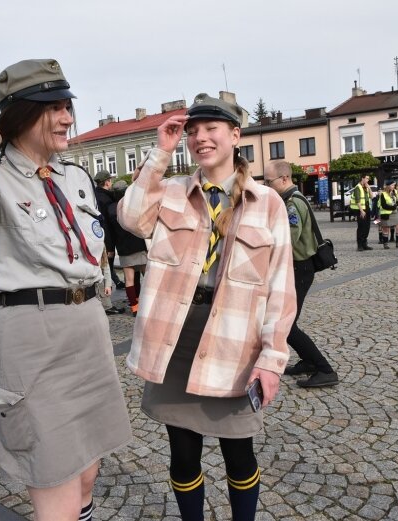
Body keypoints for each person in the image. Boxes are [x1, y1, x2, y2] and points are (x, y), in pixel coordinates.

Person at [0, 58, 131, 521]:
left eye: (68, 106)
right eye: (54, 108)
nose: (67, 117)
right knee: (52, 477)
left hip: (88, 327)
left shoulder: (74, 175)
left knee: (87, 469)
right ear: (23, 114)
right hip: (34, 332)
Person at [119, 93, 296, 521]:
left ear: (235, 135)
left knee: (239, 452)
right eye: (193, 131)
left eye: (211, 128)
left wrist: (272, 360)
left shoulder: (267, 202)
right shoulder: (172, 192)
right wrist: (161, 150)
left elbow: (280, 288)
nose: (200, 137)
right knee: (183, 454)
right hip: (175, 335)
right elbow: (130, 217)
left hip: (235, 340)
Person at [265, 160, 338, 388]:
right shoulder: (290, 200)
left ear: (284, 179)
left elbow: (287, 238)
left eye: (269, 181)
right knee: (286, 322)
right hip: (297, 268)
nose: (266, 186)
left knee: (285, 324)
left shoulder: (292, 204)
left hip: (299, 268)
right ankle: (307, 361)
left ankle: (325, 369)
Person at [110, 178, 148, 316]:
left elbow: (110, 232)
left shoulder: (111, 209)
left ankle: (134, 307)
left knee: (129, 280)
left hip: (124, 248)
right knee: (148, 277)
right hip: (139, 244)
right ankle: (148, 305)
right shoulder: (135, 205)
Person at [93, 170, 125, 290]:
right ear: (107, 182)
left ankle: (115, 282)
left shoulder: (95, 195)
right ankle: (107, 297)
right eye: (110, 180)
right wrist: (110, 246)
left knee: (106, 266)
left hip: (99, 234)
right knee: (107, 266)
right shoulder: (105, 199)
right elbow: (106, 224)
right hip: (107, 237)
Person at [377, 180, 398, 250]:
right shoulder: (383, 194)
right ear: (388, 186)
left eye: (394, 185)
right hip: (386, 213)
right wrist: (393, 207)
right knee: (386, 229)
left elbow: (397, 201)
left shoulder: (395, 192)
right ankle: (385, 244)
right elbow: (383, 205)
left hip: (395, 212)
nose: (393, 186)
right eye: (392, 185)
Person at [350, 174, 373, 251]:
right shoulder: (358, 187)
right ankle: (360, 245)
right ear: (362, 178)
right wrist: (361, 211)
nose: (368, 180)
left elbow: (372, 197)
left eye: (368, 179)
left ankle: (364, 244)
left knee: (367, 227)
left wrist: (369, 188)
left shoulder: (366, 187)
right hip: (361, 210)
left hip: (367, 208)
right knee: (361, 227)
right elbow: (357, 200)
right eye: (366, 178)